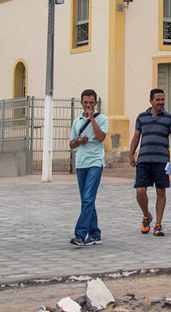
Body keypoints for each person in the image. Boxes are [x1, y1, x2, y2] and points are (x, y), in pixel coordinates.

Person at [128, 88, 171, 237]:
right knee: (140, 190)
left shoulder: (169, 118)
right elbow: (136, 137)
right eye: (158, 100)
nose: (161, 102)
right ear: (151, 101)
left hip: (162, 161)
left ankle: (158, 224)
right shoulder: (141, 117)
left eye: (162, 100)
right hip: (144, 160)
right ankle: (146, 215)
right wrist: (131, 153)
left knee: (161, 191)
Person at [69, 89, 108, 247]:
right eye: (85, 103)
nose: (88, 105)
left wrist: (92, 119)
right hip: (81, 163)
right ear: (81, 103)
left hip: (95, 162)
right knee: (86, 200)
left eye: (91, 102)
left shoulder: (102, 119)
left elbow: (101, 137)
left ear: (96, 103)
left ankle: (80, 233)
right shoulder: (77, 121)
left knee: (88, 198)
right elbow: (71, 144)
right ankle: (95, 234)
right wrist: (79, 141)